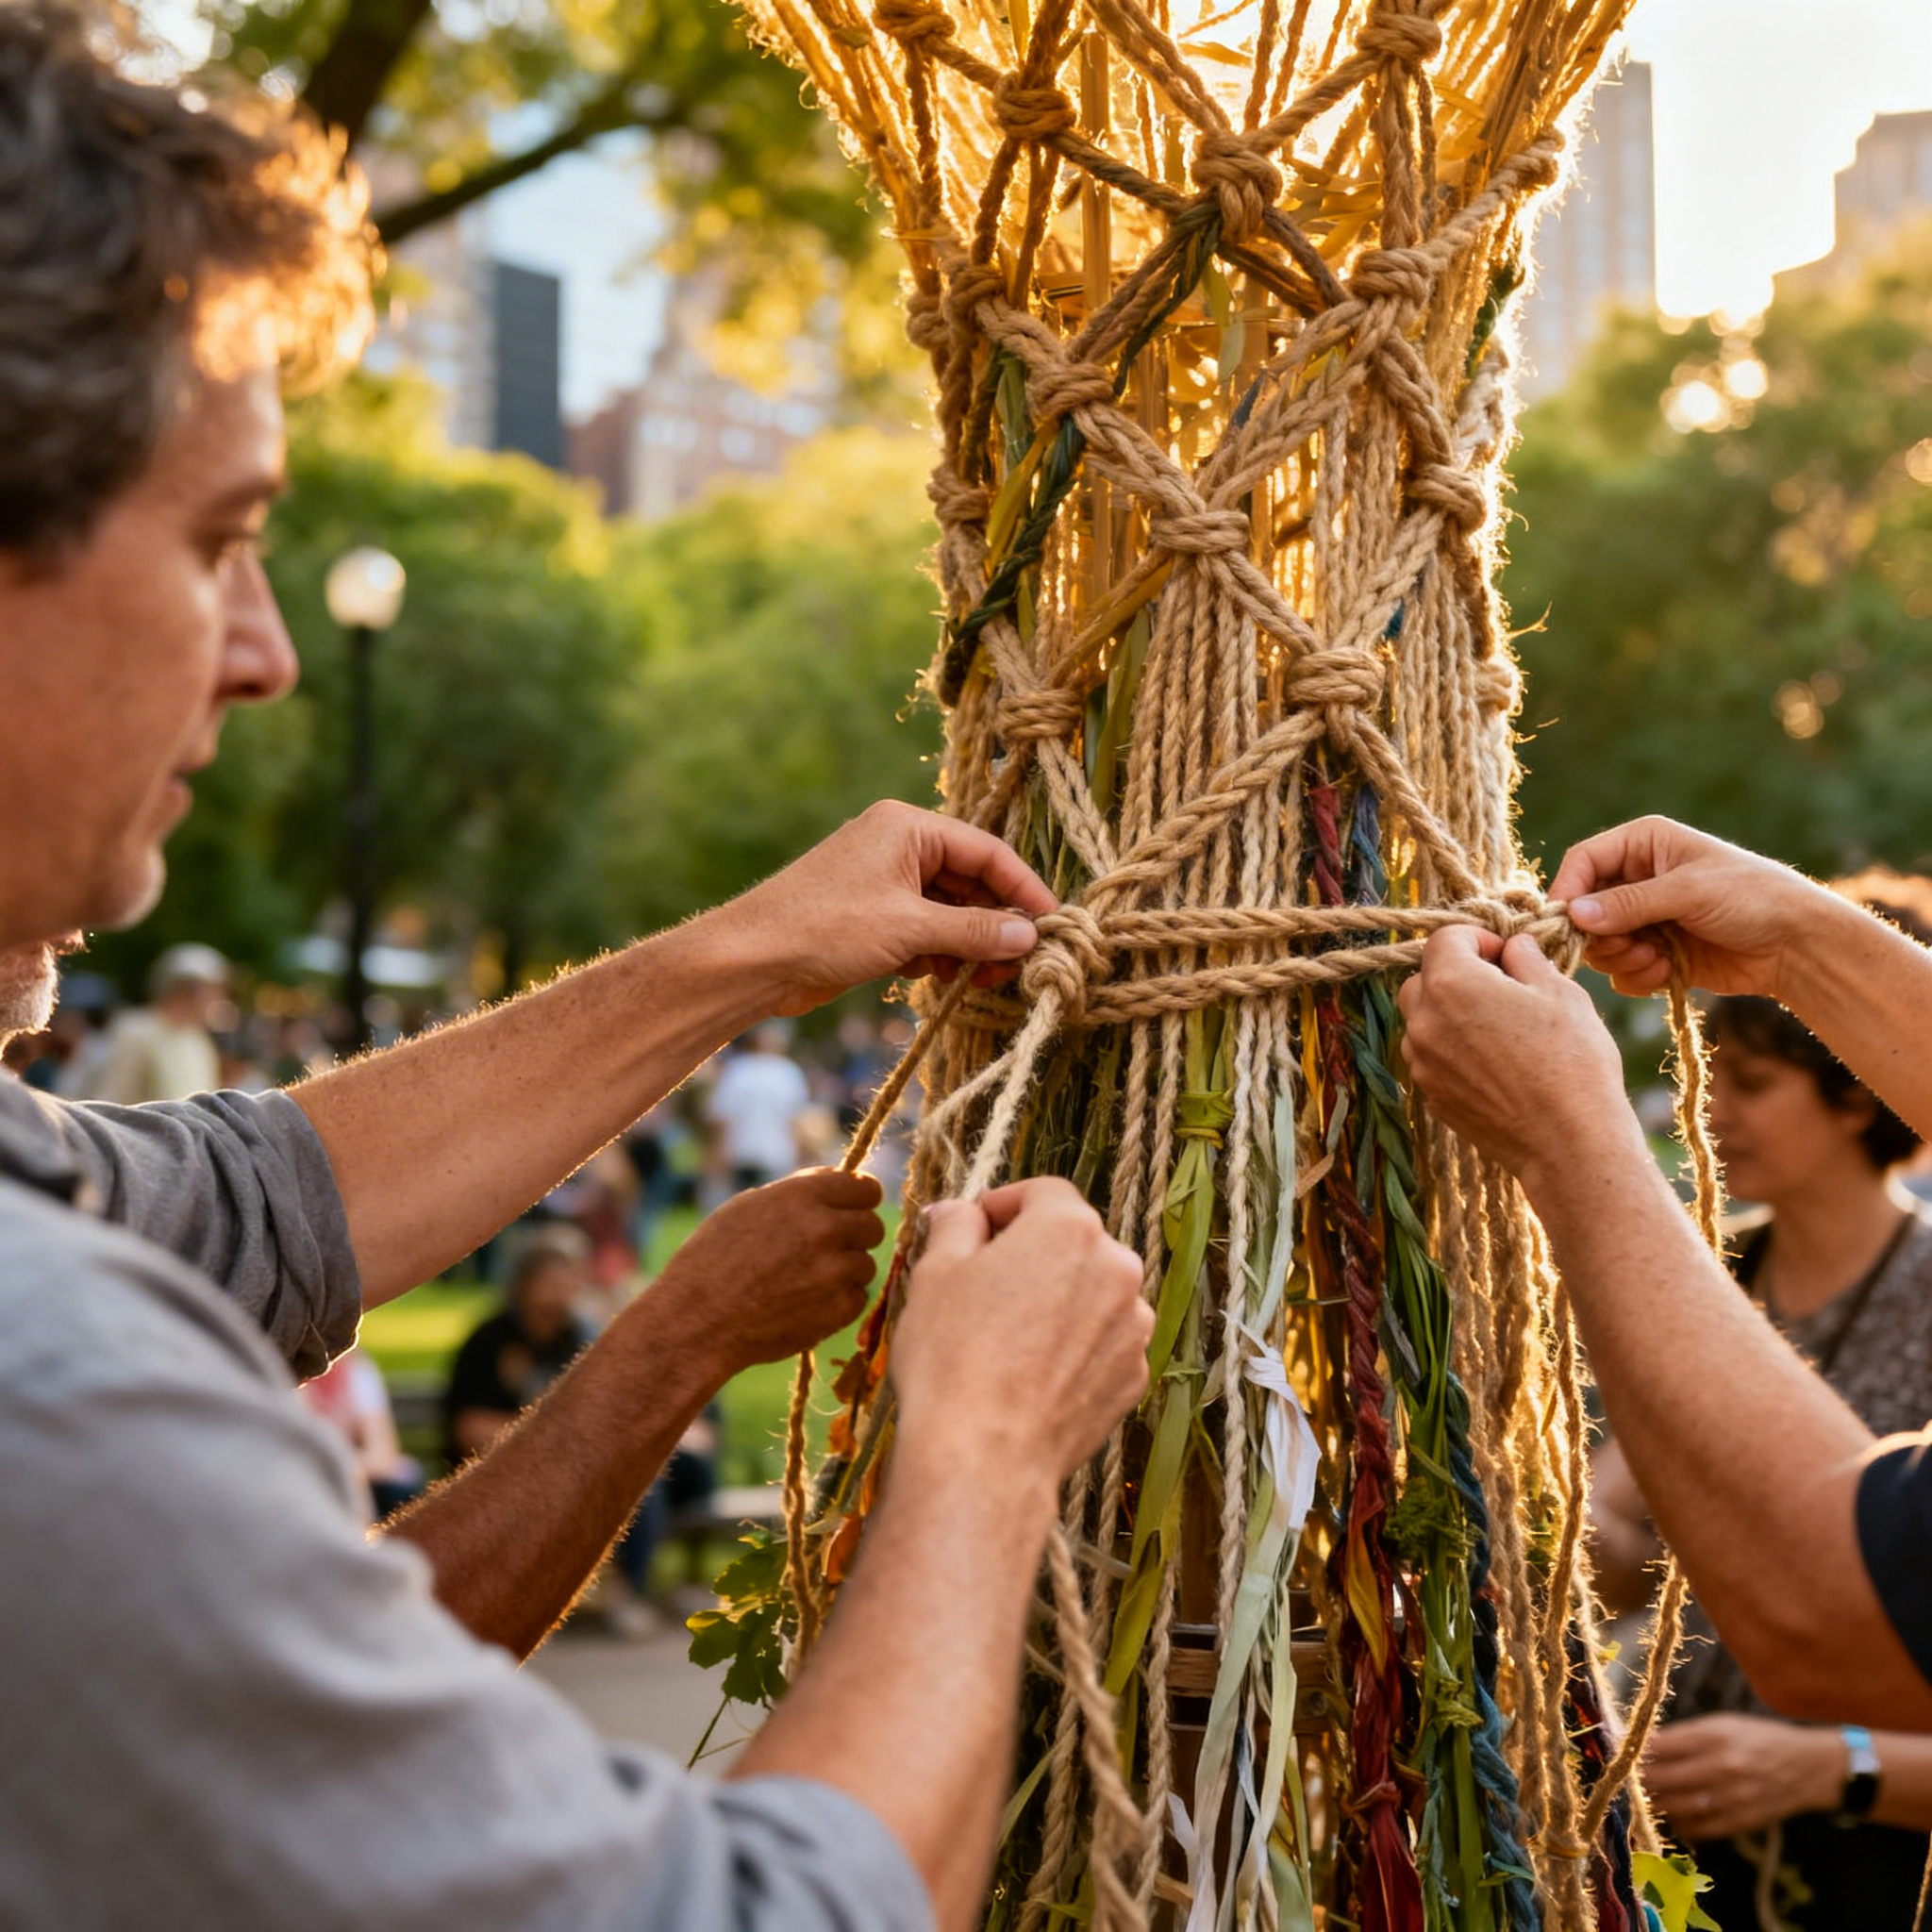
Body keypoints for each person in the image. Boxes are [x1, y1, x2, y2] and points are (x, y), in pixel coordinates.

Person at [0, 11, 1155, 1928]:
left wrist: (732, 963)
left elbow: (244, 1206)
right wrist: (982, 1450)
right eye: (219, 540)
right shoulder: (51, 1394)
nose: (267, 652)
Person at [1400, 814, 1932, 1735]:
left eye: (1754, 1083)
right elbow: (1622, 1512)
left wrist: (1567, 1140)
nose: (1719, 1110)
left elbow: (1848, 1613)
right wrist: (1798, 939)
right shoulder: (1726, 1261)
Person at [1587, 902, 1932, 1927]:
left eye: (1750, 1082)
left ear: (1854, 1096)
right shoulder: (1704, 1271)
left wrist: (1834, 1764)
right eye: (1710, 1074)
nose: (1711, 1111)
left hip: (1866, 1864)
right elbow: (1616, 1532)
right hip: (1671, 1834)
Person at [69, 940, 228, 1103]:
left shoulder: (198, 1041)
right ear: (189, 990)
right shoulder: (136, 1031)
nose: (219, 998)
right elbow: (112, 1100)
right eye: (215, 990)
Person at [706, 1021, 812, 1192]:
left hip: (769, 1154)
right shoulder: (742, 1070)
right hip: (748, 1154)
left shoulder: (784, 1072)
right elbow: (724, 1119)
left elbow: (795, 1119)